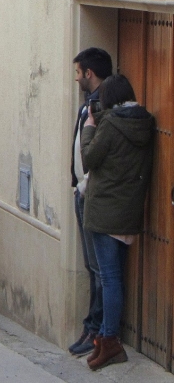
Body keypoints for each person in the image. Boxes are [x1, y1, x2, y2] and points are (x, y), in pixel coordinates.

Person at [80, 74, 154, 370]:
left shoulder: (109, 124)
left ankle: (109, 340)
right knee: (115, 277)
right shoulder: (143, 122)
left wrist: (88, 128)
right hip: (128, 210)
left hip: (104, 211)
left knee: (108, 278)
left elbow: (88, 157)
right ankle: (106, 339)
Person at [68, 47, 113, 355]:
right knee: (90, 265)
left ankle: (96, 329)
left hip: (92, 195)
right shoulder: (89, 105)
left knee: (99, 270)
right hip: (82, 192)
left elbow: (94, 154)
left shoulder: (102, 107)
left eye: (78, 73)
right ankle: (90, 326)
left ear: (89, 74)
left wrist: (84, 186)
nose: (76, 78)